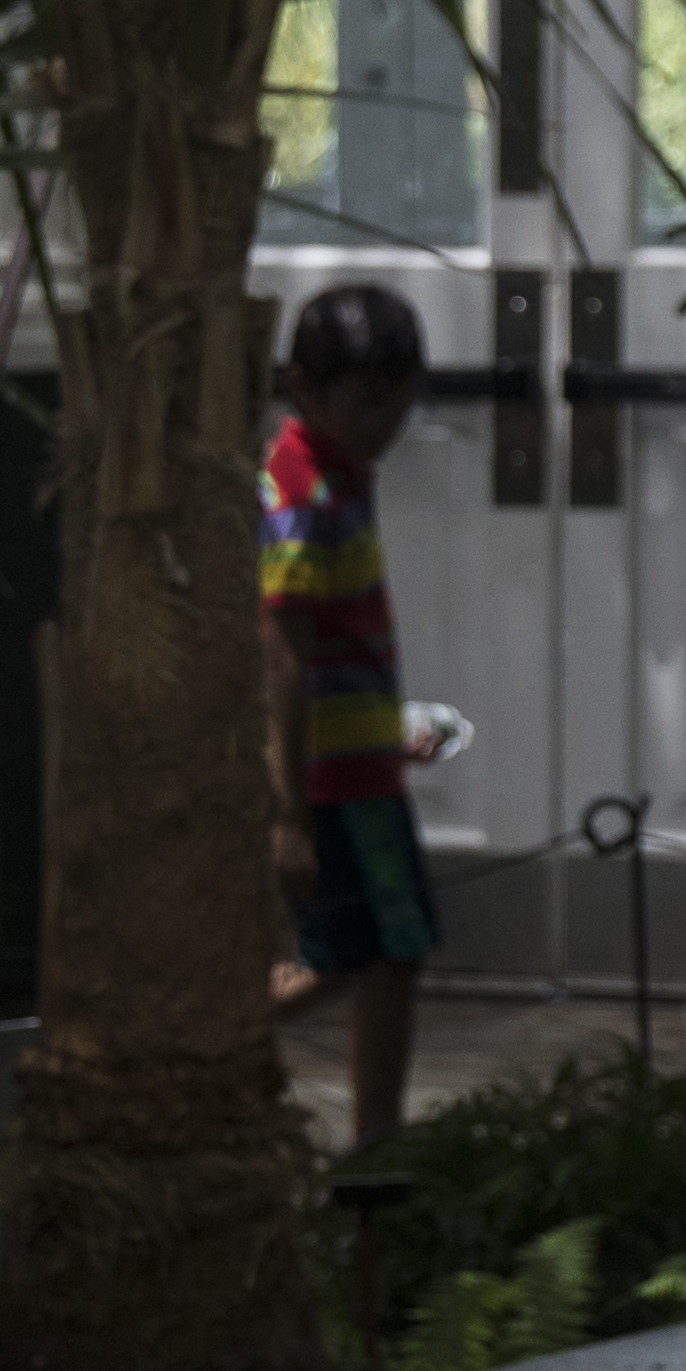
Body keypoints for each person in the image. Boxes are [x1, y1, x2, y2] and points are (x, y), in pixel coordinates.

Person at [263, 278, 436, 1145]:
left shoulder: (344, 472)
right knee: (365, 947)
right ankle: (204, 1034)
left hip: (363, 763)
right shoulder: (299, 492)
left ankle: (378, 1144)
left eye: (399, 406)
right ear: (304, 388)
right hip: (330, 781)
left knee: (392, 948)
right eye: (368, 405)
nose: (386, 426)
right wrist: (288, 813)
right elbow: (282, 656)